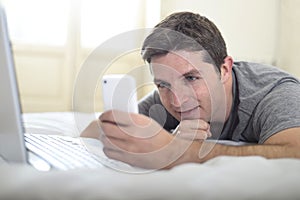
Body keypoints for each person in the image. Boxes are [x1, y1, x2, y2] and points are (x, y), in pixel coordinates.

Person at [81, 11, 300, 169]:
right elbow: (92, 130)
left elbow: (294, 153)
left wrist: (178, 152)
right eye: (163, 85)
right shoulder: (164, 99)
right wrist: (167, 139)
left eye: (191, 78)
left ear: (224, 70)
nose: (177, 101)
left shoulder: (275, 94)